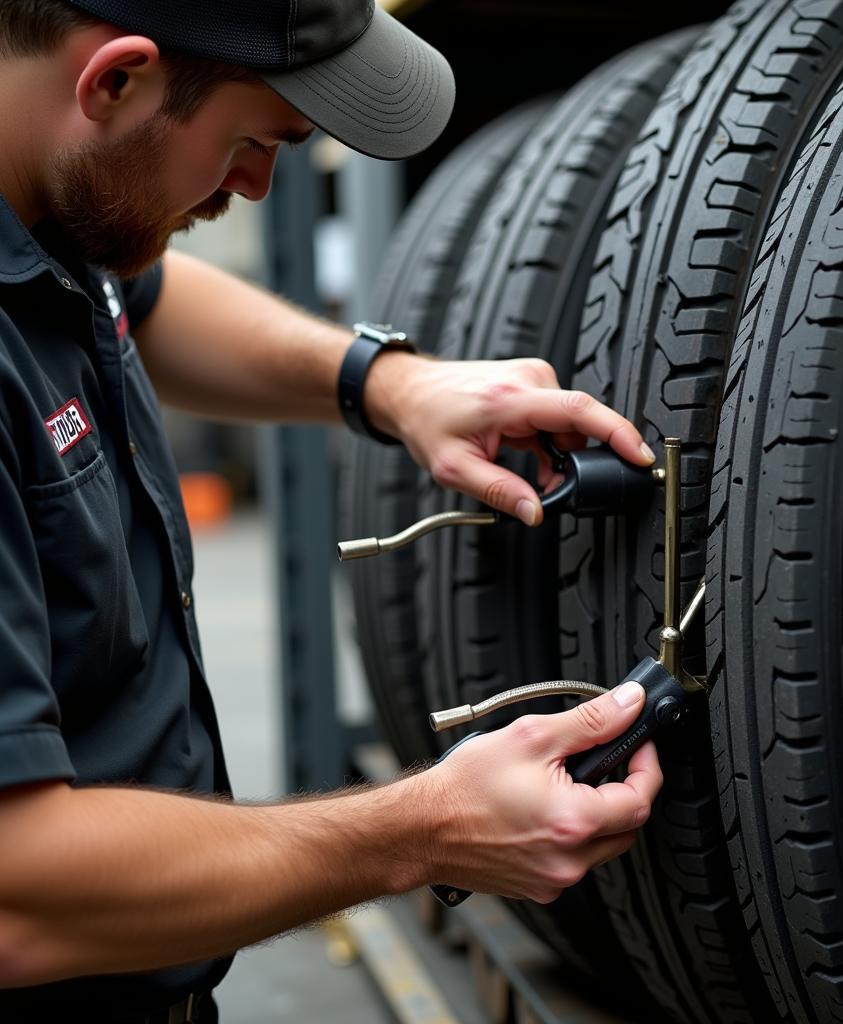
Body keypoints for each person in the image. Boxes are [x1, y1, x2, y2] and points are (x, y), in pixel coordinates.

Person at [0, 1, 663, 1020]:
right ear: (114, 81)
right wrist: (422, 828)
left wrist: (388, 385)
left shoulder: (54, 189)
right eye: (253, 141)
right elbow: (17, 894)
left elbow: (143, 299)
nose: (259, 184)